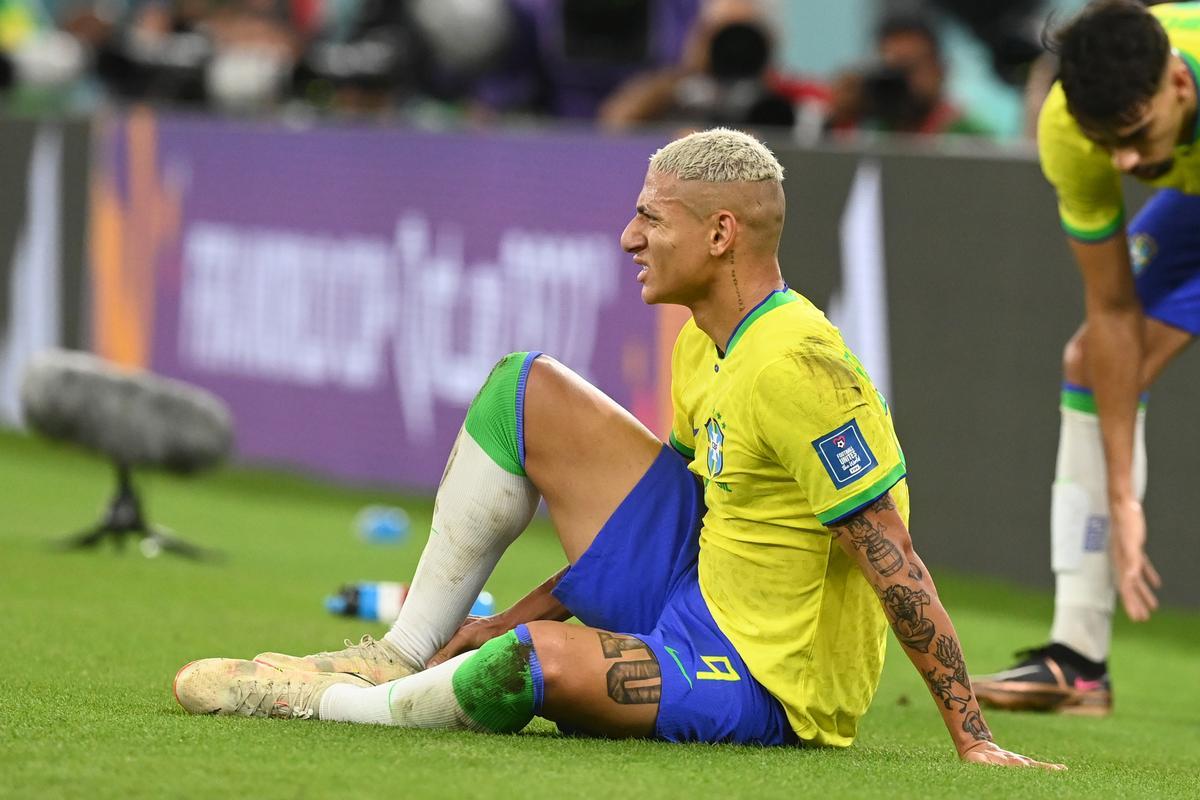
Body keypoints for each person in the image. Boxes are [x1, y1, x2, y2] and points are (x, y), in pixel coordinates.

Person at [172, 129, 1059, 767]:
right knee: (525, 387)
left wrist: (973, 738)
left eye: (650, 219)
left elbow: (892, 558)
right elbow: (647, 533)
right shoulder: (702, 341)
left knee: (523, 672)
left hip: (761, 677)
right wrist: (505, 614)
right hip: (691, 582)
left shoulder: (800, 366)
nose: (630, 238)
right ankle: (400, 655)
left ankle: (331, 705)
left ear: (719, 235)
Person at [974, 0, 1199, 715]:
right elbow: (1113, 312)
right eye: (1109, 146)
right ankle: (1077, 660)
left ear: (1180, 87)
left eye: (1134, 135)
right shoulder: (1072, 130)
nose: (1126, 164)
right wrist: (1124, 499)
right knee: (1092, 363)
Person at [827, 14, 990, 137]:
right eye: (890, 70)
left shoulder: (969, 135)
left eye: (908, 68)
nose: (900, 81)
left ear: (941, 70)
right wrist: (839, 119)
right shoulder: (875, 129)